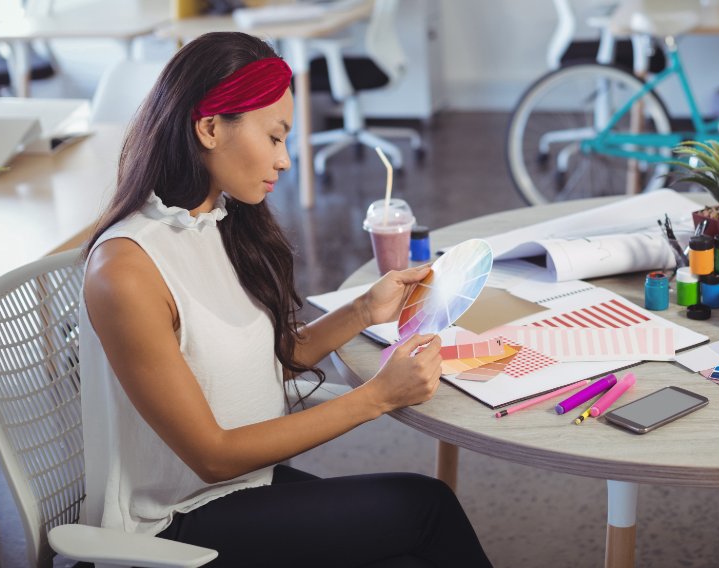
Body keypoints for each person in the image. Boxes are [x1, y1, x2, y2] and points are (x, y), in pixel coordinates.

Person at [79, 31, 491, 567]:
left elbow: (268, 356)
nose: (286, 160)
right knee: (426, 510)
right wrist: (376, 397)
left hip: (246, 488)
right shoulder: (126, 271)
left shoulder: (214, 222)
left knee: (408, 540)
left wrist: (365, 309)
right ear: (208, 128)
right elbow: (211, 456)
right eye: (275, 138)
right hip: (174, 525)